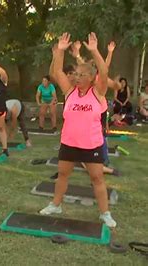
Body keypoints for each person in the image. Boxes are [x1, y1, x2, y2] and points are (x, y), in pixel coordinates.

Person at [39, 32, 116, 228]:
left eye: (82, 75)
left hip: (91, 144)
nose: (77, 77)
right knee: (62, 174)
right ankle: (56, 205)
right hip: (69, 142)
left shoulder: (97, 92)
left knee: (96, 178)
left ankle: (105, 213)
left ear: (91, 78)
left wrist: (94, 50)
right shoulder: (70, 91)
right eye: (76, 74)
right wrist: (61, 51)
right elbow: (57, 71)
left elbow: (104, 72)